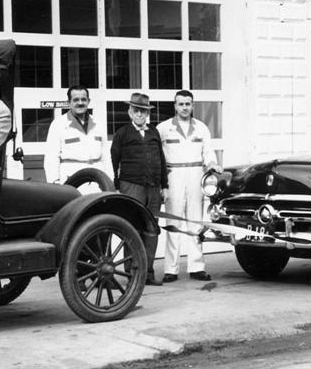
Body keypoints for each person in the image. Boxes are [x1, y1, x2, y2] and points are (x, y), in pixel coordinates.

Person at [157, 90, 219, 282]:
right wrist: (161, 183)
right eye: (181, 104)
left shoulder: (201, 128)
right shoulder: (163, 128)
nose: (184, 107)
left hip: (195, 175)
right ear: (174, 106)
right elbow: (157, 155)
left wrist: (212, 164)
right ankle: (171, 269)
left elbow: (208, 152)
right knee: (173, 223)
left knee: (195, 223)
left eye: (188, 104)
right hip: (173, 176)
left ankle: (197, 266)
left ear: (192, 105)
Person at [109, 92, 166, 287]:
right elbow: (113, 161)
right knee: (132, 228)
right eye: (136, 110)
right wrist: (117, 187)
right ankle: (132, 273)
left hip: (153, 188)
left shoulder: (154, 132)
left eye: (143, 111)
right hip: (131, 186)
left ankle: (148, 273)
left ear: (147, 113)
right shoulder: (122, 133)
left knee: (152, 229)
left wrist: (164, 186)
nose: (140, 114)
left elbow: (161, 158)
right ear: (130, 112)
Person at [44, 85, 113, 185]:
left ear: (88, 101)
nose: (80, 103)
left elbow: (106, 156)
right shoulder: (58, 124)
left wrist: (110, 180)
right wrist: (54, 182)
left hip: (97, 181)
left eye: (83, 99)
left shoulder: (98, 123)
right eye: (76, 100)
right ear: (69, 102)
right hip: (71, 181)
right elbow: (51, 157)